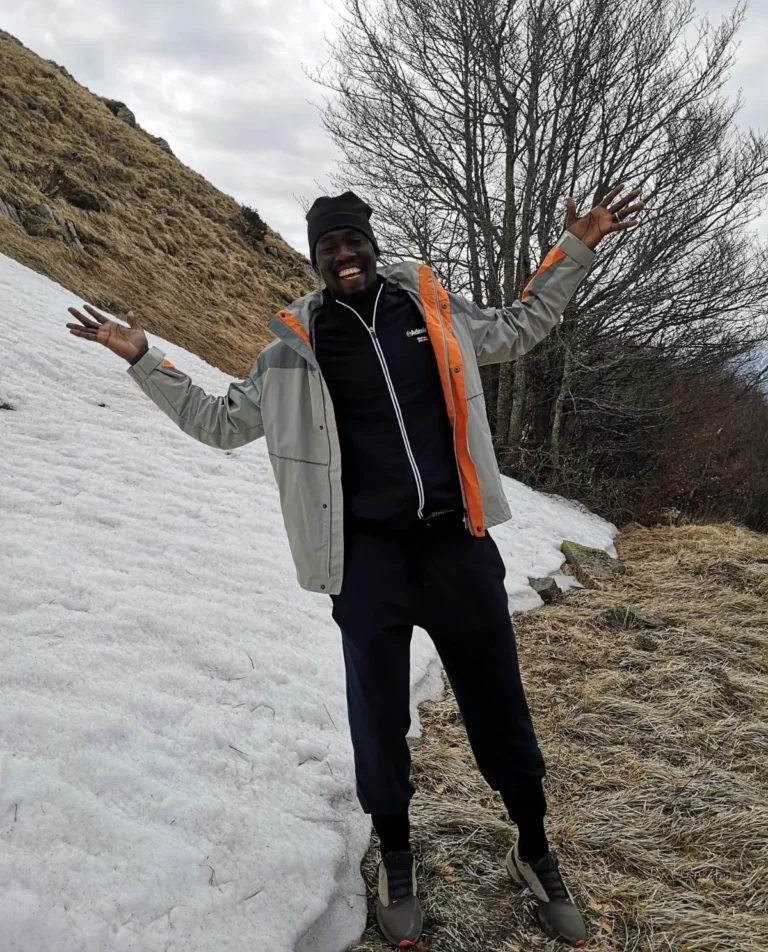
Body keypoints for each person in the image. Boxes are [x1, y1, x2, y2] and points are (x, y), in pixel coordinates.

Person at [66, 185, 643, 949]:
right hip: (367, 563)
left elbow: (522, 325)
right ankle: (396, 855)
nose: (344, 254)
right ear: (315, 260)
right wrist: (146, 359)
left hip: (457, 546)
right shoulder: (292, 354)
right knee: (377, 717)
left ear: (372, 245)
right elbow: (219, 423)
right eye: (329, 245)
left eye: (353, 240)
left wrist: (575, 247)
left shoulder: (432, 312)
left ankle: (534, 850)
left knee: (499, 706)